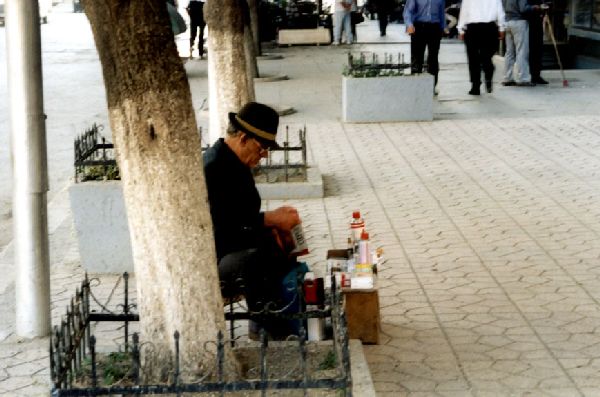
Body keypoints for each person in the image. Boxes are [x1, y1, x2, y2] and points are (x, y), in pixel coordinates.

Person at [203, 102, 304, 338]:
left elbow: (243, 215)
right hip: (213, 255)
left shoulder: (235, 162)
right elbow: (223, 227)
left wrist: (276, 225)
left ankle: (273, 320)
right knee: (260, 259)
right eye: (262, 147)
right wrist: (269, 219)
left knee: (279, 245)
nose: (265, 154)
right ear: (243, 138)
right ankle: (275, 328)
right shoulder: (215, 167)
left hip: (231, 243)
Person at [457, 0, 505, 95]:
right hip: (489, 27)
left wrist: (460, 28)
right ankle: (488, 70)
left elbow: (464, 12)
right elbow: (500, 11)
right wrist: (501, 27)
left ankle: (475, 85)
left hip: (472, 28)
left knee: (473, 58)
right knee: (486, 55)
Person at [403, 0, 447, 93]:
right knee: (417, 58)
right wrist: (409, 25)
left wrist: (443, 28)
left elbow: (441, 13)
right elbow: (408, 11)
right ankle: (416, 85)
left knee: (433, 59)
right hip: (419, 28)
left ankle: (432, 86)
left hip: (434, 28)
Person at [501, 0, 534, 87]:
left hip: (507, 22)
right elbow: (523, 9)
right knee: (522, 50)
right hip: (519, 22)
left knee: (509, 52)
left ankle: (507, 78)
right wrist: (535, 7)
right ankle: (523, 78)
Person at [528, 0, 549, 84]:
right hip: (531, 24)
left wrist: (545, 10)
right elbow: (526, 9)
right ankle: (533, 75)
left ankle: (537, 75)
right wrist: (537, 8)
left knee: (538, 50)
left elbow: (544, 5)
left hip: (538, 23)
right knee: (533, 50)